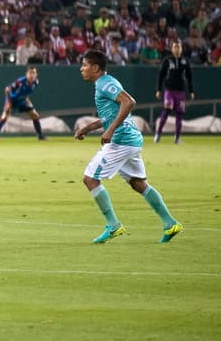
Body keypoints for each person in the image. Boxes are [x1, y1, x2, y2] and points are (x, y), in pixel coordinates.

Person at [74, 50, 182, 244]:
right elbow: (110, 116)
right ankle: (170, 223)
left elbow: (129, 102)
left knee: (90, 179)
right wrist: (88, 128)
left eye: (84, 65)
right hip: (131, 140)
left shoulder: (104, 83)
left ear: (95, 68)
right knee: (138, 183)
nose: (81, 69)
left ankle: (113, 225)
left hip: (121, 141)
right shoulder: (106, 83)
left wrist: (110, 131)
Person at [153, 41, 194, 144]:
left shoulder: (185, 61)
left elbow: (189, 77)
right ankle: (158, 134)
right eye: (175, 47)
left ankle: (177, 137)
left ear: (181, 48)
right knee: (166, 111)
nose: (177, 49)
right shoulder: (167, 61)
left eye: (179, 47)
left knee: (179, 115)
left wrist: (191, 91)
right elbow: (161, 75)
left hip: (180, 92)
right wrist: (158, 89)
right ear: (172, 49)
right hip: (169, 91)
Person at [0, 67, 45, 140]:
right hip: (12, 100)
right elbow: (7, 90)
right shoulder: (20, 82)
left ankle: (40, 136)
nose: (32, 75)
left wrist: (27, 99)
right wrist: (8, 103)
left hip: (22, 101)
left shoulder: (36, 82)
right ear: (26, 74)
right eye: (30, 73)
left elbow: (27, 91)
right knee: (4, 116)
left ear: (36, 74)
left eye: (34, 73)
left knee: (35, 115)